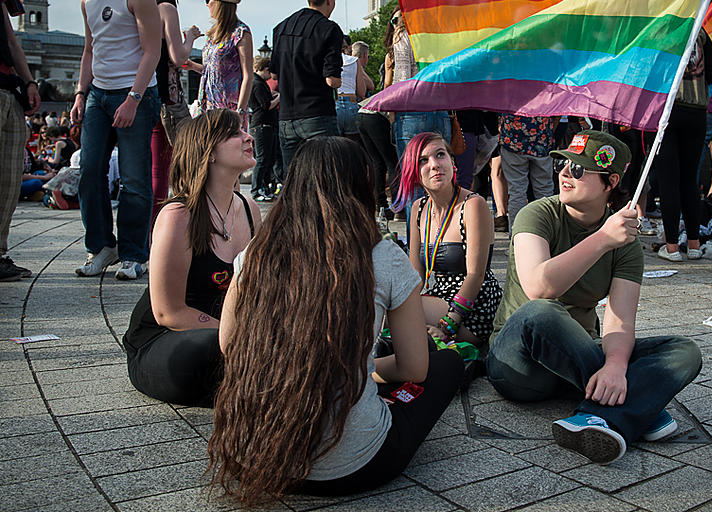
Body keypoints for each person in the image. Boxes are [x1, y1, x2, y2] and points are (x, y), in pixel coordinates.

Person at [208, 137, 464, 505]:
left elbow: (229, 343)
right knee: (447, 363)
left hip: (250, 456)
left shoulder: (255, 254)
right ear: (362, 186)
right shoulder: (383, 256)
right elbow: (414, 369)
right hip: (351, 467)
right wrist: (359, 369)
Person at [486, 130, 702, 464]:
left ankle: (597, 416)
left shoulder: (625, 243)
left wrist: (616, 364)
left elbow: (619, 319)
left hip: (577, 356)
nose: (564, 173)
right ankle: (635, 406)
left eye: (577, 169)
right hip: (519, 361)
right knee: (543, 311)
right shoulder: (537, 214)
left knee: (684, 351)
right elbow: (539, 287)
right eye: (563, 164)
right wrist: (602, 239)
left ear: (610, 182)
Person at [122, 109, 260, 407]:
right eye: (235, 133)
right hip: (167, 340)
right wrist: (242, 335)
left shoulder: (250, 210)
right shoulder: (178, 215)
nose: (248, 137)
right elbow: (168, 313)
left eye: (244, 130)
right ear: (208, 150)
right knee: (214, 350)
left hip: (227, 334)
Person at [71, 0, 162, 280]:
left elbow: (151, 51)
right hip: (98, 94)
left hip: (134, 93)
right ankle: (101, 246)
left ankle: (134, 253)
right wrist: (81, 93)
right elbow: (89, 50)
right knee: (89, 171)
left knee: (134, 178)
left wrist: (133, 98)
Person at [394, 132, 501, 346]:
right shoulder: (418, 208)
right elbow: (416, 275)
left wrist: (447, 325)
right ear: (414, 172)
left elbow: (476, 275)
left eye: (440, 155)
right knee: (386, 310)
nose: (434, 165)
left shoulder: (473, 204)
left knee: (395, 318)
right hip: (439, 296)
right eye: (423, 160)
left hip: (475, 302)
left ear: (453, 162)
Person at [143, 0, 202, 222]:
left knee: (155, 169)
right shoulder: (166, 8)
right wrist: (190, 37)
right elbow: (178, 57)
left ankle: (151, 230)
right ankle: (178, 222)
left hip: (144, 94)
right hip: (169, 98)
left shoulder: (138, 10)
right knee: (189, 161)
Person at [656, 29, 712, 261]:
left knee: (668, 180)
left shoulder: (664, 28)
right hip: (697, 111)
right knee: (689, 179)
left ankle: (672, 246)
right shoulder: (701, 32)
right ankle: (693, 244)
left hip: (668, 109)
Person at [271, 0, 344, 166]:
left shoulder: (281, 27)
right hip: (317, 114)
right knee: (326, 179)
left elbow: (274, 74)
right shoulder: (329, 29)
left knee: (294, 183)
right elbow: (332, 80)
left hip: (287, 116)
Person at [385, 6, 450, 157]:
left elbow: (403, 79)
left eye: (397, 20)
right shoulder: (435, 35)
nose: (396, 24)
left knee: (412, 169)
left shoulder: (402, 35)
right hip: (441, 109)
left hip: (413, 111)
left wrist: (392, 111)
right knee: (441, 169)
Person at [193, 0, 253, 130]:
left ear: (219, 4)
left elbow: (248, 75)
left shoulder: (240, 32)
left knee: (229, 151)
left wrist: (240, 111)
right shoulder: (212, 34)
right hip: (208, 109)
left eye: (208, 0)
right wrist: (192, 66)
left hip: (229, 111)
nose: (206, 4)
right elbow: (213, 71)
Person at [355, 41, 397, 216]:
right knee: (392, 161)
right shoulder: (357, 64)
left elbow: (371, 87)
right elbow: (371, 86)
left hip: (362, 111)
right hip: (376, 114)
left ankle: (380, 205)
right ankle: (397, 205)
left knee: (376, 161)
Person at [499, 113, 557, 227]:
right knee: (544, 190)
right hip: (542, 138)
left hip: (512, 139)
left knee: (516, 190)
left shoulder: (508, 93)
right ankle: (547, 232)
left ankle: (516, 235)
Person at [248, 56, 279, 201]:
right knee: (262, 159)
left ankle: (264, 188)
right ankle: (256, 189)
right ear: (266, 69)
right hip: (262, 125)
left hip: (263, 125)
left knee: (267, 158)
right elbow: (266, 106)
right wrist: (280, 97)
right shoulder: (258, 84)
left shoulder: (257, 82)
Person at [335, 35, 371, 141]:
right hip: (351, 104)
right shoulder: (354, 61)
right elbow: (361, 91)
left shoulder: (326, 61)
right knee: (353, 146)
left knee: (335, 145)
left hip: (334, 103)